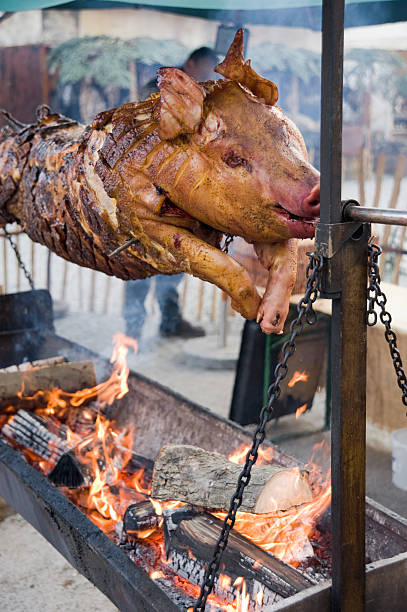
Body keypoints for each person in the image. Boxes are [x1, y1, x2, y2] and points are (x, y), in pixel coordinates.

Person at [124, 46, 219, 340]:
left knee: (174, 259)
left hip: (179, 189)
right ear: (191, 63)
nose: (205, 76)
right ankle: (132, 329)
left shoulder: (202, 93)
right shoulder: (156, 87)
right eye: (204, 69)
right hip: (147, 188)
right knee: (140, 258)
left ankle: (170, 323)